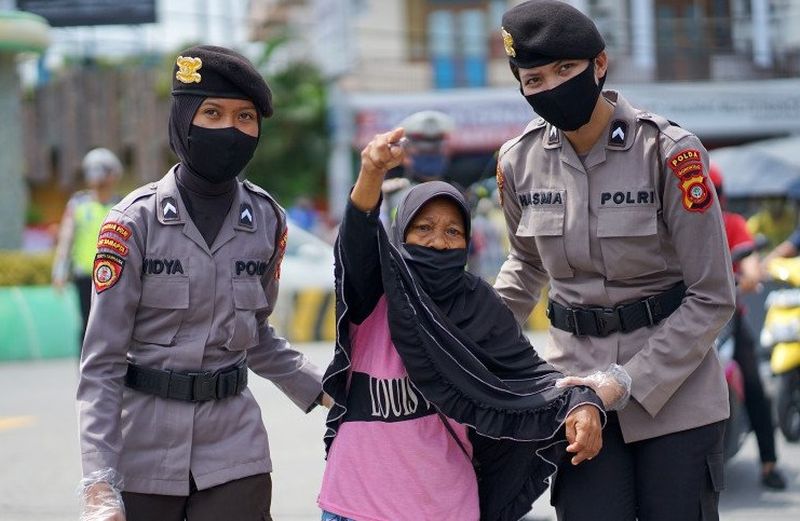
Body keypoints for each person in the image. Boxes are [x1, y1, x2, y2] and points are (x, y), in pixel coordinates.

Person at [493, 2, 736, 520]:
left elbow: (713, 293)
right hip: (576, 394)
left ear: (599, 64)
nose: (550, 87)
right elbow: (524, 265)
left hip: (677, 393)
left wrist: (626, 381)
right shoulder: (518, 161)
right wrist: (469, 341)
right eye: (533, 79)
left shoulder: (669, 152)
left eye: (565, 70)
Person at [77, 45, 326, 521]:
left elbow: (256, 337)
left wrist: (328, 388)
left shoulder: (267, 220)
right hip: (143, 454)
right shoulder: (133, 223)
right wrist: (99, 484)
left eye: (245, 117)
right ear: (183, 119)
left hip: (235, 452)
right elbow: (102, 364)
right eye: (211, 112)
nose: (230, 129)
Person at [318, 128, 613, 521]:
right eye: (423, 229)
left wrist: (582, 400)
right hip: (355, 507)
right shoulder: (375, 289)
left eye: (452, 232)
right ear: (400, 233)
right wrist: (371, 172)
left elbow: (529, 376)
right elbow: (356, 241)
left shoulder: (478, 305)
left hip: (445, 507)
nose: (439, 243)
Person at [709, 164, 786, 490]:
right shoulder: (670, 223)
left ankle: (768, 465)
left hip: (728, 321)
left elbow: (753, 268)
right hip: (679, 321)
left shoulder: (733, 224)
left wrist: (746, 277)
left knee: (755, 386)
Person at [52, 148, 123, 347]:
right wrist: (59, 270)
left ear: (113, 175)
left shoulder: (122, 205)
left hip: (117, 276)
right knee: (87, 325)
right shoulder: (78, 204)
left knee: (115, 325)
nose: (95, 175)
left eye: (101, 169)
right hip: (85, 275)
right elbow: (66, 239)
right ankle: (86, 373)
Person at [380, 109, 456, 225]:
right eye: (422, 151)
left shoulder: (458, 193)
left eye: (436, 149)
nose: (430, 155)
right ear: (405, 154)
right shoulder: (390, 195)